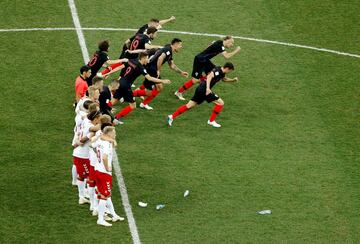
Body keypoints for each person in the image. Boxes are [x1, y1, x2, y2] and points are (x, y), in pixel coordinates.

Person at [167, 63, 237, 128]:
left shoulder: (221, 72)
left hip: (200, 89)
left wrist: (233, 80)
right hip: (204, 90)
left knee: (189, 105)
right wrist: (208, 89)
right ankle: (211, 121)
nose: (229, 72)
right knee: (220, 103)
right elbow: (209, 76)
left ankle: (172, 116)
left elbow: (224, 79)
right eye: (230, 71)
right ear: (227, 68)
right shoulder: (218, 71)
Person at [109, 52, 170, 123]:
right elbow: (149, 78)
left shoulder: (132, 60)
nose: (148, 60)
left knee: (114, 101)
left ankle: (101, 111)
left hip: (120, 82)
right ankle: (117, 118)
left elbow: (120, 67)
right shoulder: (140, 67)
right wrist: (163, 81)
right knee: (133, 106)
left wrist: (108, 73)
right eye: (147, 58)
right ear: (143, 58)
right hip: (126, 86)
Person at [174, 36, 241, 100]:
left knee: (216, 72)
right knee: (195, 80)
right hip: (199, 60)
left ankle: (205, 83)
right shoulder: (220, 45)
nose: (232, 45)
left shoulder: (219, 43)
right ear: (228, 40)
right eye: (232, 43)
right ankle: (179, 92)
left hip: (205, 60)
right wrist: (236, 50)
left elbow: (209, 45)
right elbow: (227, 56)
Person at [133, 38, 188, 110]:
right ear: (175, 44)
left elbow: (172, 65)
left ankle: (135, 96)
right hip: (152, 69)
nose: (181, 47)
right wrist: (158, 70)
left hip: (150, 67)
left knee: (152, 86)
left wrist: (181, 72)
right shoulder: (168, 50)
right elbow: (160, 58)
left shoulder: (169, 49)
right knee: (156, 89)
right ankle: (133, 97)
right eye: (180, 45)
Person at [95, 126, 125, 226]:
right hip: (104, 173)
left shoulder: (99, 140)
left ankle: (113, 214)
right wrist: (107, 168)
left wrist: (112, 140)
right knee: (105, 195)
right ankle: (100, 219)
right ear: (109, 134)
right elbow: (104, 157)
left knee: (104, 194)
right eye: (114, 132)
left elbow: (92, 145)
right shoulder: (107, 144)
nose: (115, 134)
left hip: (97, 170)